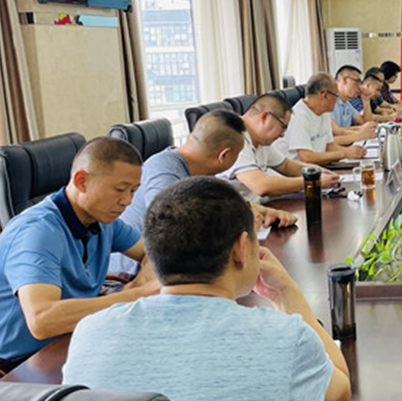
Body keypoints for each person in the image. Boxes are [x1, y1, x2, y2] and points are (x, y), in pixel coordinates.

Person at [63, 177, 351, 401]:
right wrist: (288, 293)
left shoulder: (91, 331)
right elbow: (339, 393)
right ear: (241, 248)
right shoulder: (280, 335)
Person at [0, 138, 159, 373]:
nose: (127, 201)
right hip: (10, 369)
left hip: (68, 341)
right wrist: (135, 295)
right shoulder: (37, 232)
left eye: (133, 190)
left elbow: (154, 253)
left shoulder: (103, 219)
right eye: (120, 189)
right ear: (81, 181)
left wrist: (138, 285)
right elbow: (42, 321)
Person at [110, 110, 296, 279]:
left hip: (174, 270)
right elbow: (171, 231)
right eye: (238, 154)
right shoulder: (164, 169)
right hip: (133, 276)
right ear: (224, 156)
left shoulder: (198, 172)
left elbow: (219, 204)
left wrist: (260, 210)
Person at [223, 93, 341, 198]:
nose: (282, 135)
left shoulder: (260, 139)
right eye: (283, 127)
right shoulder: (234, 137)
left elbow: (286, 166)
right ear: (265, 117)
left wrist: (318, 172)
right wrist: (312, 181)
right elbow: (261, 186)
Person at [281, 73, 368, 165]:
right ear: (325, 95)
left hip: (319, 167)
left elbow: (328, 146)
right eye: (336, 95)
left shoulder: (324, 112)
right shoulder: (299, 116)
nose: (337, 100)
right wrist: (344, 153)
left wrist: (353, 151)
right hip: (298, 171)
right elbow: (306, 157)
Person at [328, 66, 378, 145]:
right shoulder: (328, 101)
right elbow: (334, 132)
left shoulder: (347, 103)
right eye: (357, 81)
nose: (359, 86)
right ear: (344, 80)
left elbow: (364, 122)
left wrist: (366, 101)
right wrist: (360, 132)